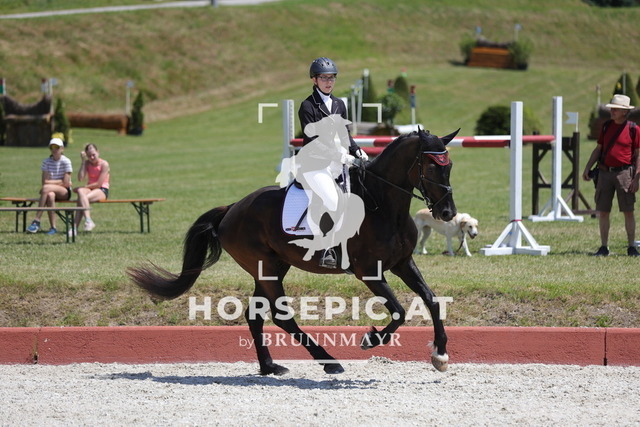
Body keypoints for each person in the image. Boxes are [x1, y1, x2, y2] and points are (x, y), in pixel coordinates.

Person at [296, 57, 368, 268]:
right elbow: (313, 142)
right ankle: (327, 249)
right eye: (324, 78)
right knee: (333, 201)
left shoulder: (339, 104)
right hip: (314, 165)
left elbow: (345, 134)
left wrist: (357, 150)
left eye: (332, 78)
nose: (329, 82)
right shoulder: (308, 106)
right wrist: (341, 156)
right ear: (314, 79)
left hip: (337, 165)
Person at [583, 94, 640, 256]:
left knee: (628, 211)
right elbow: (598, 149)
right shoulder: (606, 126)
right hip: (604, 173)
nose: (612, 111)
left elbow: (638, 155)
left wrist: (636, 178)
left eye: (616, 109)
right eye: (612, 108)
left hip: (625, 174)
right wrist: (587, 167)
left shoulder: (634, 129)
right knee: (603, 211)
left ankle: (631, 247)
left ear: (625, 112)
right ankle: (604, 247)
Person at [26, 137, 73, 235]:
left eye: (56, 147)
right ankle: (53, 227)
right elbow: (45, 181)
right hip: (50, 190)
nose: (54, 149)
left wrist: (50, 183)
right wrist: (59, 181)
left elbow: (65, 184)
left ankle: (36, 220)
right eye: (52, 147)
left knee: (45, 189)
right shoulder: (46, 161)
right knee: (50, 195)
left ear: (62, 148)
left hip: (64, 192)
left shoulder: (66, 161)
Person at [70, 143, 110, 236]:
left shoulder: (104, 164)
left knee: (81, 199)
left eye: (93, 155)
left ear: (98, 152)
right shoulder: (87, 163)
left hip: (102, 189)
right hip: (90, 189)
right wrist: (83, 162)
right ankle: (87, 221)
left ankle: (76, 227)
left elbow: (99, 184)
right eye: (89, 156)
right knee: (81, 193)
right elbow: (80, 178)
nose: (91, 157)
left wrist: (83, 187)